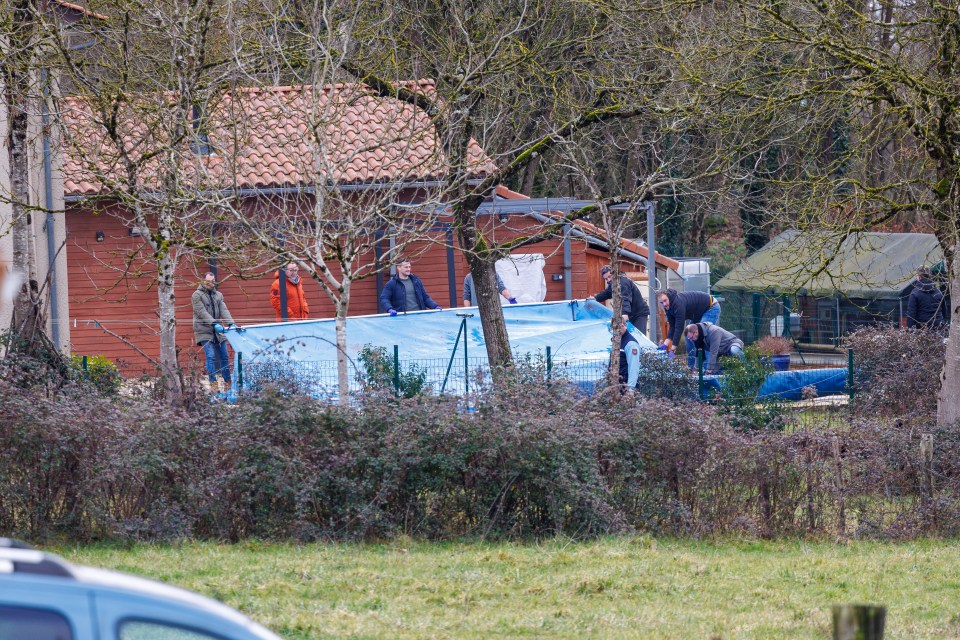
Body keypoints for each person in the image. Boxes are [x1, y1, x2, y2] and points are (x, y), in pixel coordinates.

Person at [192, 272, 237, 391]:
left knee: (225, 356)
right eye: (208, 281)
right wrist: (213, 323)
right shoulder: (196, 295)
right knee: (210, 356)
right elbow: (202, 312)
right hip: (203, 330)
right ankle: (213, 385)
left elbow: (224, 310)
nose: (210, 284)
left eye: (212, 282)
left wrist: (231, 323)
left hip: (218, 331)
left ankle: (228, 383)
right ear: (203, 281)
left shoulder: (218, 295)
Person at [658, 288, 721, 368]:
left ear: (668, 297)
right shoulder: (668, 307)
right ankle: (692, 369)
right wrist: (665, 344)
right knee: (689, 337)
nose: (664, 304)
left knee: (703, 338)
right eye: (661, 302)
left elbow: (679, 327)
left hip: (710, 307)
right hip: (698, 313)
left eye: (665, 300)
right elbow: (673, 326)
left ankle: (708, 370)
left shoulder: (678, 304)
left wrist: (673, 349)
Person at [590, 265, 650, 334]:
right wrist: (596, 298)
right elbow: (607, 293)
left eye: (609, 277)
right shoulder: (614, 283)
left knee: (639, 335)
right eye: (606, 279)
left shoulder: (623, 282)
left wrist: (624, 313)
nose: (608, 280)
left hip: (639, 313)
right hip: (631, 313)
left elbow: (625, 298)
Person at [612, 320, 641, 393]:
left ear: (625, 325)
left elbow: (633, 367)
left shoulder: (631, 344)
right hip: (618, 386)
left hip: (626, 388)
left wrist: (631, 389)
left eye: (620, 326)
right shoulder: (617, 341)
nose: (618, 329)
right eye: (615, 327)